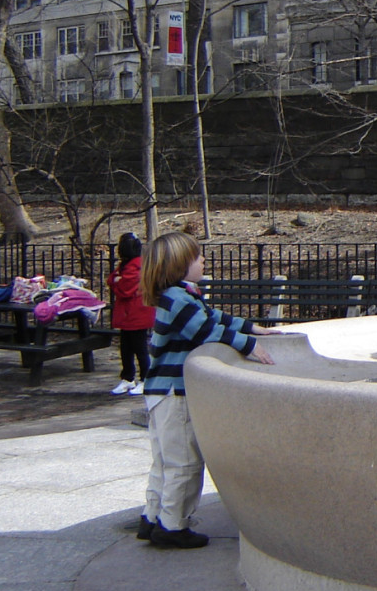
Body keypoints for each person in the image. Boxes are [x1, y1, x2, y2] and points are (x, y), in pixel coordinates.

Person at [137, 231, 277, 549]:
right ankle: (172, 526)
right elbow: (204, 330)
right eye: (197, 257)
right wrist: (249, 344)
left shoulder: (181, 296)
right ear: (179, 265)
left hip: (161, 391)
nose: (203, 260)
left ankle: (152, 517)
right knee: (184, 461)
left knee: (164, 460)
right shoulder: (177, 299)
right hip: (175, 394)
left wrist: (250, 326)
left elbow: (213, 317)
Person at [108, 233, 153, 396]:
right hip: (129, 314)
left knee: (140, 348)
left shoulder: (136, 266)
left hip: (136, 313)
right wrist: (117, 280)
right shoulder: (127, 265)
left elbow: (125, 289)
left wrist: (117, 281)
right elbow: (112, 279)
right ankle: (128, 378)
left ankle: (145, 379)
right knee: (126, 348)